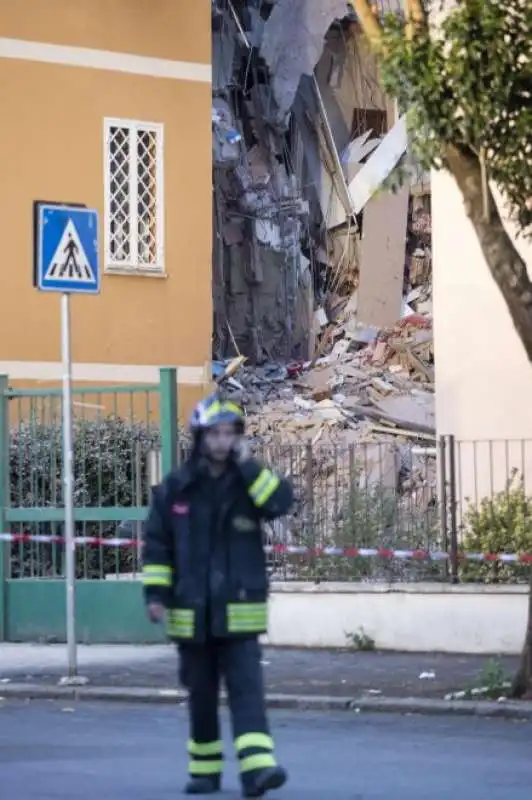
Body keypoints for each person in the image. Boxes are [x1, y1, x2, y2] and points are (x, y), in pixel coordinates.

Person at [142, 393, 294, 797]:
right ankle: (205, 772)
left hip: (239, 611)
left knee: (248, 693)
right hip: (190, 615)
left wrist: (249, 464)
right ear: (200, 436)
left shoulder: (248, 483)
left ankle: (258, 772)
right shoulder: (176, 489)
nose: (223, 441)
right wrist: (155, 595)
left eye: (230, 434)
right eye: (216, 434)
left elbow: (280, 502)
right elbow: (158, 547)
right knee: (202, 696)